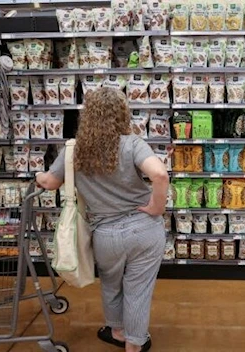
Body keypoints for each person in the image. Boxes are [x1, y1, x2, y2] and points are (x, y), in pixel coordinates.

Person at [36, 87, 169, 352]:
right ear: (123, 113)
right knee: (138, 289)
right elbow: (160, 175)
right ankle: (135, 343)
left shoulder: (74, 150)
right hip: (143, 229)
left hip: (105, 233)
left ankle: (117, 331)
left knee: (111, 284)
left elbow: (50, 182)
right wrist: (156, 207)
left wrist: (38, 176)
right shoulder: (132, 144)